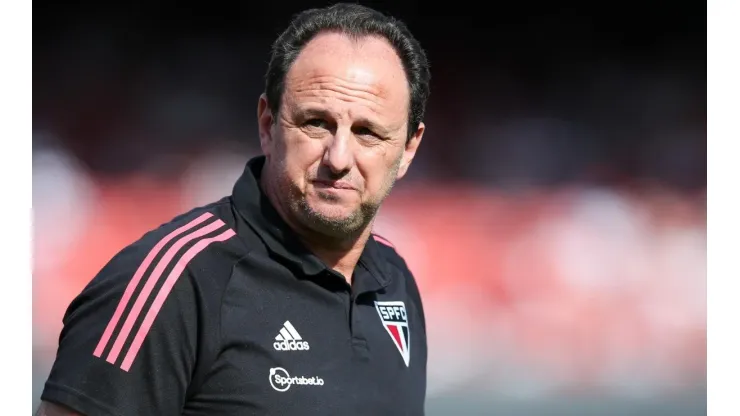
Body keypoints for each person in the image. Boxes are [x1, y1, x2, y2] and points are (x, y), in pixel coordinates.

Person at [36, 3, 431, 415]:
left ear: (407, 149)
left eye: (367, 132)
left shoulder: (395, 279)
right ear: (267, 125)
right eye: (316, 123)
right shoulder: (176, 283)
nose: (339, 157)